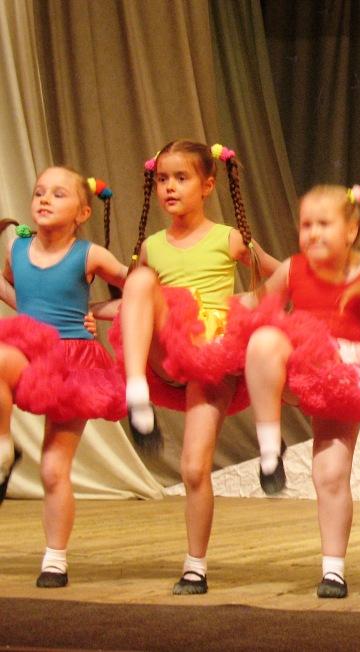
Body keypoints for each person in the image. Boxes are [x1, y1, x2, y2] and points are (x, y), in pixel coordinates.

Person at [113, 141, 278, 595]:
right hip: (167, 352)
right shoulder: (151, 246)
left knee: (192, 467)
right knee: (140, 280)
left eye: (181, 178)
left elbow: (279, 274)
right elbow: (135, 304)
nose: (169, 187)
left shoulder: (227, 238)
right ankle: (136, 393)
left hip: (212, 358)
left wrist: (249, 305)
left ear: (207, 185)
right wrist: (92, 313)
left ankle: (195, 566)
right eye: (162, 179)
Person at [244, 184, 360, 599]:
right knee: (263, 340)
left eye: (324, 224)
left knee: (331, 473)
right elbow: (253, 303)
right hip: (297, 368)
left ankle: (333, 571)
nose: (313, 233)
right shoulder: (292, 268)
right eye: (306, 225)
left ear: (351, 231)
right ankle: (270, 449)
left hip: (345, 378)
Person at [0, 167, 127, 588]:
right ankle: (3, 447)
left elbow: (138, 290)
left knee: (54, 469)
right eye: (39, 192)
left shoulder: (89, 255)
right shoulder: (17, 249)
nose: (44, 199)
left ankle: (55, 558)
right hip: (28, 353)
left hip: (73, 362)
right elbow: (22, 294)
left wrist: (96, 312)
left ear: (82, 212)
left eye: (58, 194)